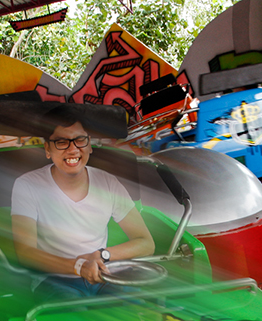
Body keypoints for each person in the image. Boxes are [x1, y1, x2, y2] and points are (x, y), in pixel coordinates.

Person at [10, 106, 154, 300]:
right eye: (61, 142)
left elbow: (146, 243)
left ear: (89, 145)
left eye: (80, 140)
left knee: (136, 314)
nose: (73, 149)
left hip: (103, 274)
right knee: (76, 320)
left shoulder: (108, 183)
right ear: (47, 149)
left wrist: (101, 256)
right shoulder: (27, 185)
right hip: (53, 280)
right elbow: (25, 252)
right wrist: (78, 267)